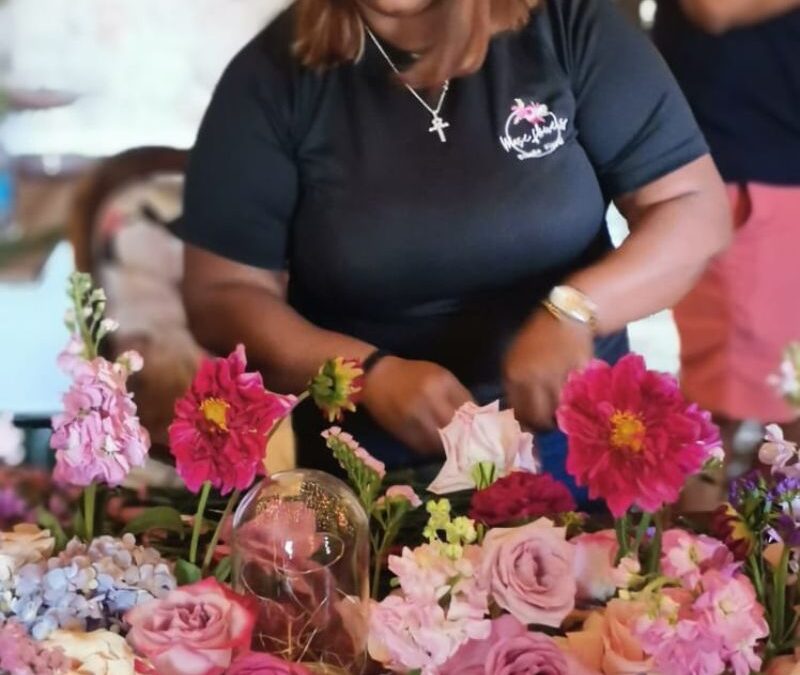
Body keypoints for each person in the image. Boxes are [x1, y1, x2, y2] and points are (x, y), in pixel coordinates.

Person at [179, 0, 730, 491]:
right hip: (371, 469)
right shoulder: (273, 75)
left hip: (578, 440)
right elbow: (222, 291)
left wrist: (577, 310)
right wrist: (367, 374)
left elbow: (690, 206)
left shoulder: (566, 23)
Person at [653, 0, 800, 503]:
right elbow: (714, 7)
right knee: (720, 408)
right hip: (743, 165)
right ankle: (695, 545)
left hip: (775, 158)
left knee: (784, 398)